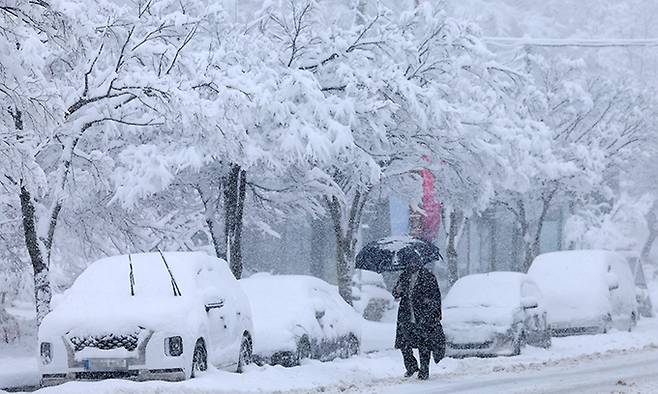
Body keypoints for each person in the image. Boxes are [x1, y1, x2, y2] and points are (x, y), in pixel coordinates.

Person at [392, 260, 444, 380]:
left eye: (415, 262)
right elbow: (395, 293)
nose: (412, 265)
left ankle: (424, 370)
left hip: (423, 315)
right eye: (410, 263)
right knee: (404, 342)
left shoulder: (428, 276)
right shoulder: (404, 275)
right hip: (406, 315)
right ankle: (411, 367)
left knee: (424, 343)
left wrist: (436, 313)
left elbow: (436, 296)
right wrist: (397, 290)